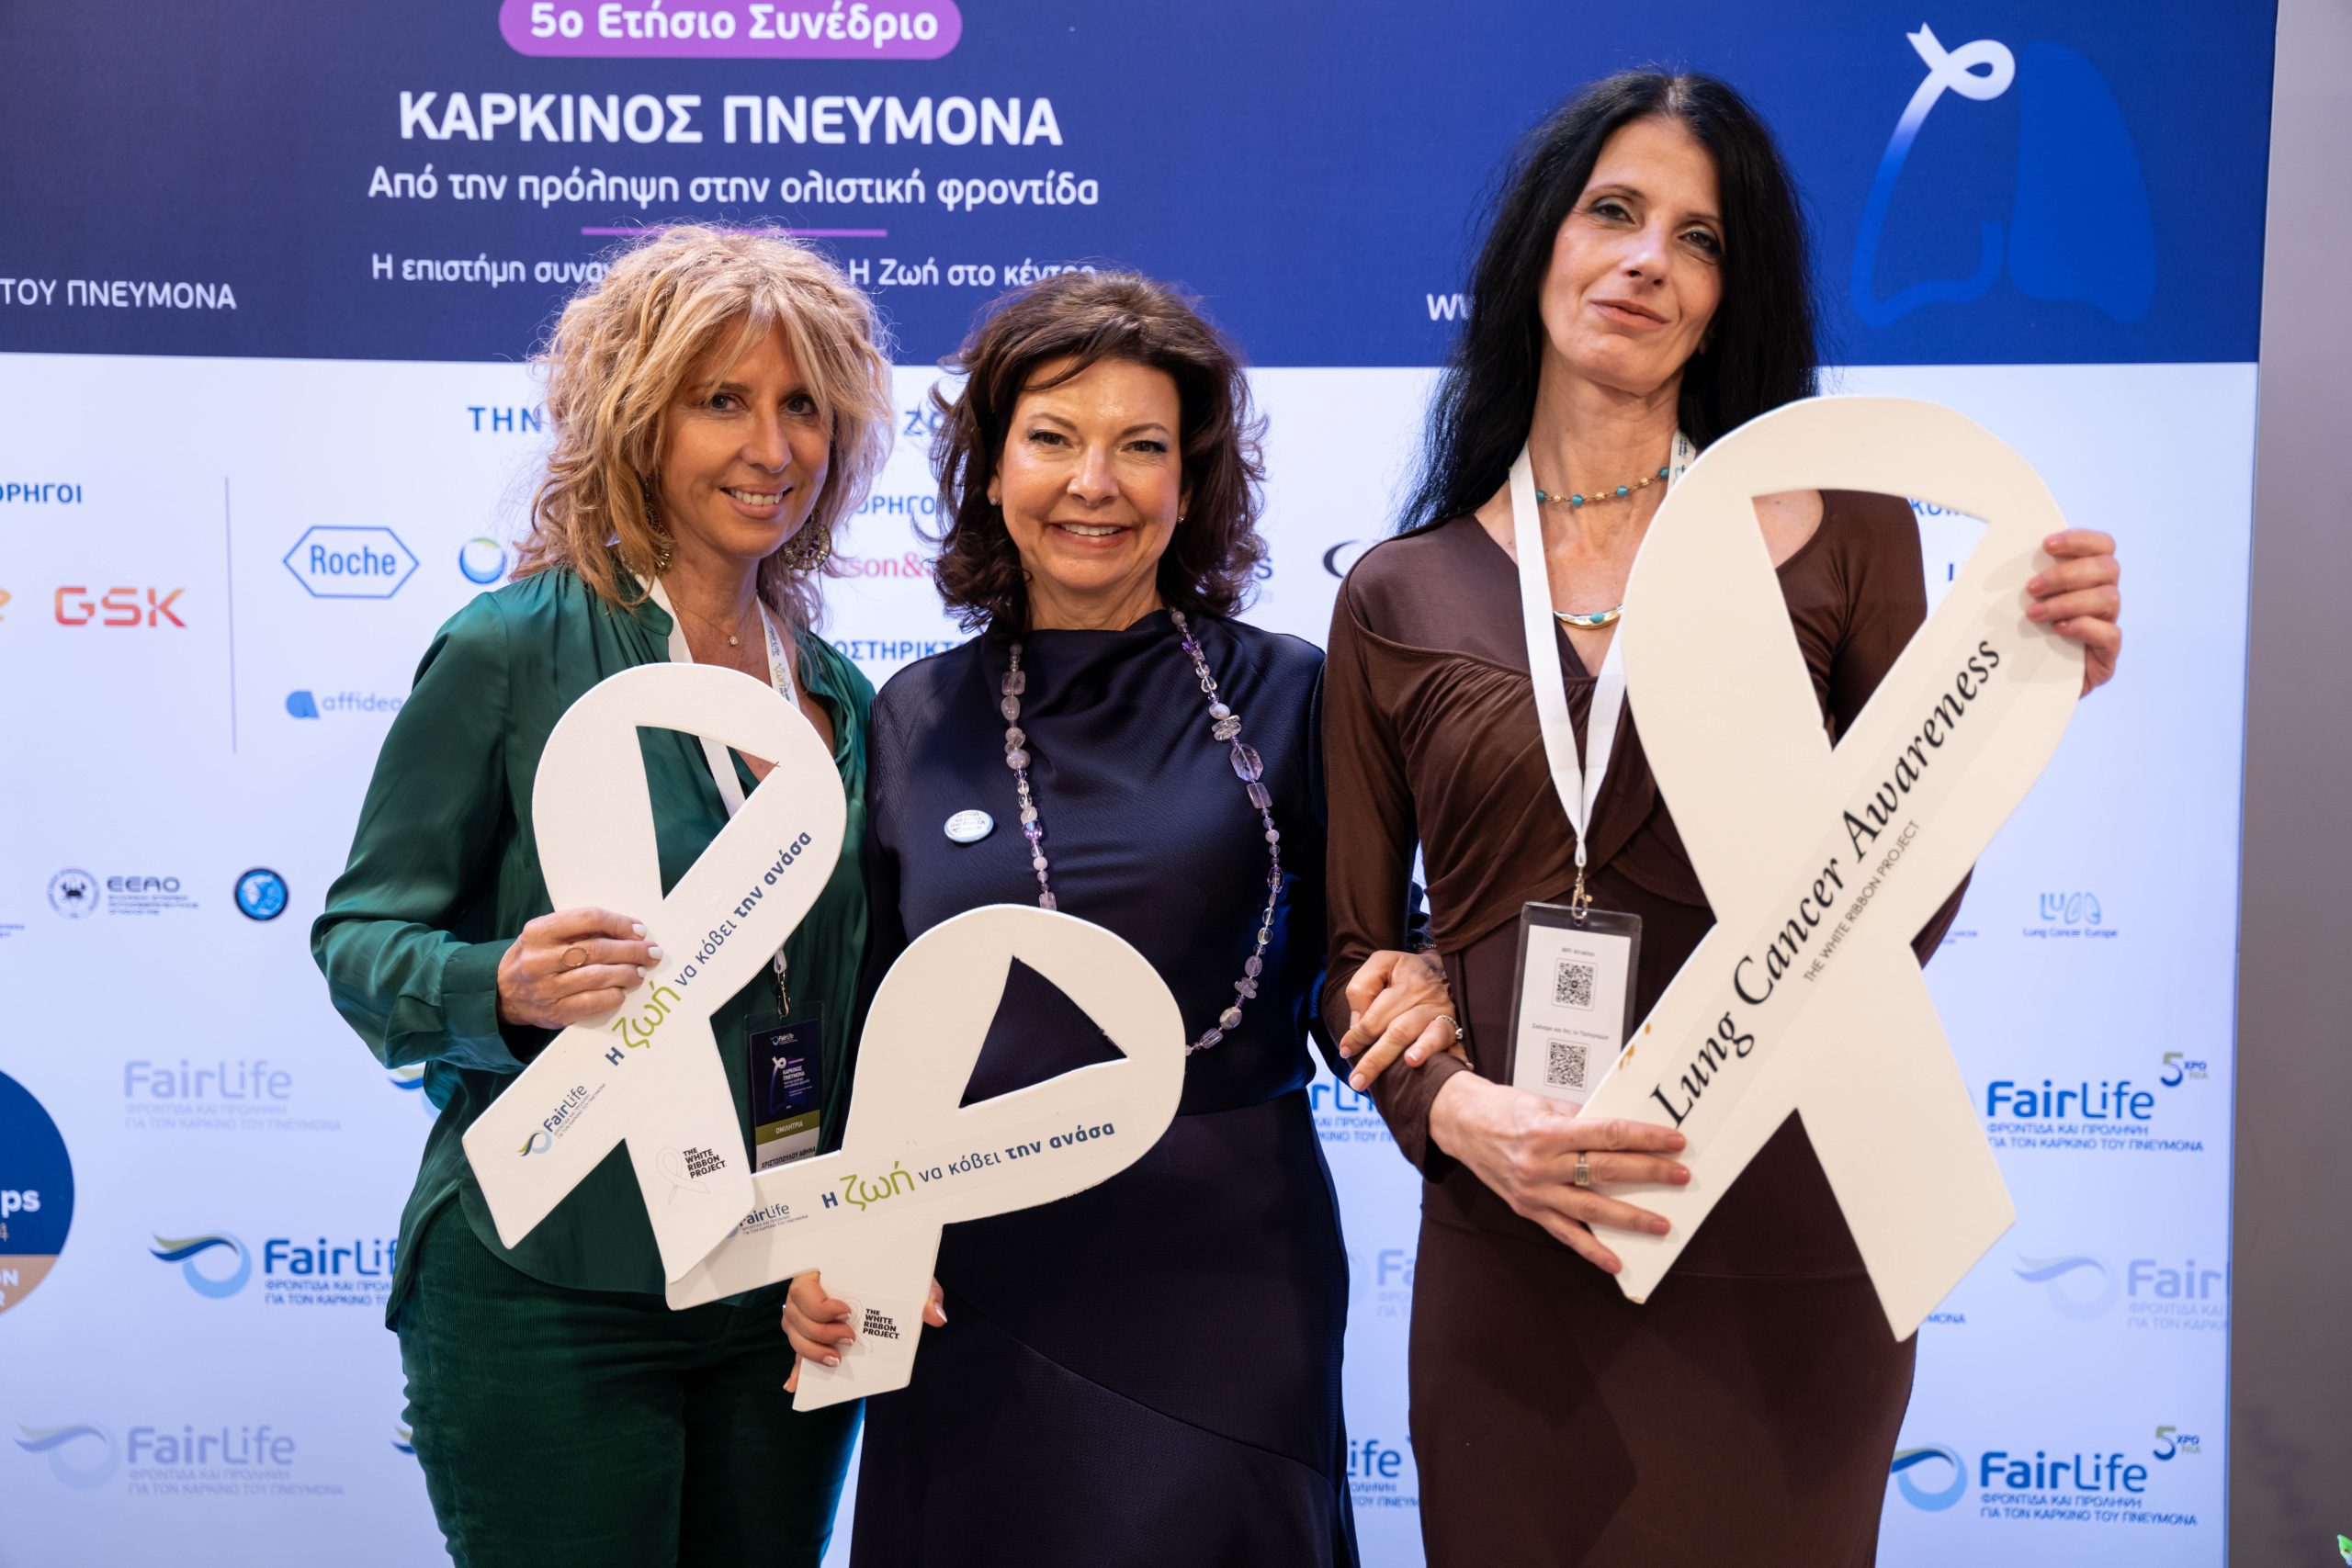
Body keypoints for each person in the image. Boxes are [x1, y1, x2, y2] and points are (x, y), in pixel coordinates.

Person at [1324, 73, 2123, 1565]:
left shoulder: (1847, 532)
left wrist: (2016, 686)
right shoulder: (1397, 591)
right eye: (1613, 212)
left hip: (1791, 1245)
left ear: (1726, 296)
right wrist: (1455, 1115)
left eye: (1698, 238)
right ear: (1540, 245)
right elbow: (1354, 958)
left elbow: (1899, 906)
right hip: (1519, 1235)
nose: (1647, 260)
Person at [783, 271, 1452, 1567]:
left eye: (1141, 446)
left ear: (1189, 485)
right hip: (968, 1282)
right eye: (1053, 438)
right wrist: (829, 1231)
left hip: (1227, 1281)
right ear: (991, 471)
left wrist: (1420, 982)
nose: (1095, 482)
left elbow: (1365, 951)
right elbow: (861, 1025)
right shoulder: (911, 717)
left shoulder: (1292, 695)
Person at [311, 225, 902, 1568]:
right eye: (723, 400)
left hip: (777, 1288)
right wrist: (500, 986)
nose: (773, 447)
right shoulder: (510, 650)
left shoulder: (842, 698)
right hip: (549, 1281)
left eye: (804, 406)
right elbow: (360, 938)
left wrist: (860, 1228)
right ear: (637, 420)